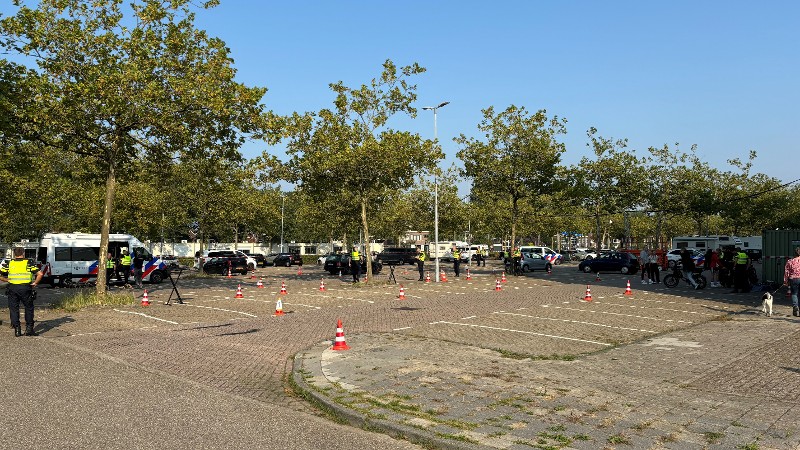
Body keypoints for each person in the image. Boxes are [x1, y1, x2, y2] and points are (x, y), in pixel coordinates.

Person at [0, 247, 43, 336]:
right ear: (23, 253)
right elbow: (40, 274)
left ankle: (17, 330)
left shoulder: (9, 263)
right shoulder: (29, 262)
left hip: (12, 288)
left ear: (14, 254)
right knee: (29, 308)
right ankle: (29, 329)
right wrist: (35, 283)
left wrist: (6, 280)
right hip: (25, 288)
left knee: (14, 309)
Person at [784, 246, 800, 317]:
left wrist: (786, 281)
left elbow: (786, 272)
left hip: (793, 279)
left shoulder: (790, 261)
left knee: (794, 293)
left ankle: (795, 306)